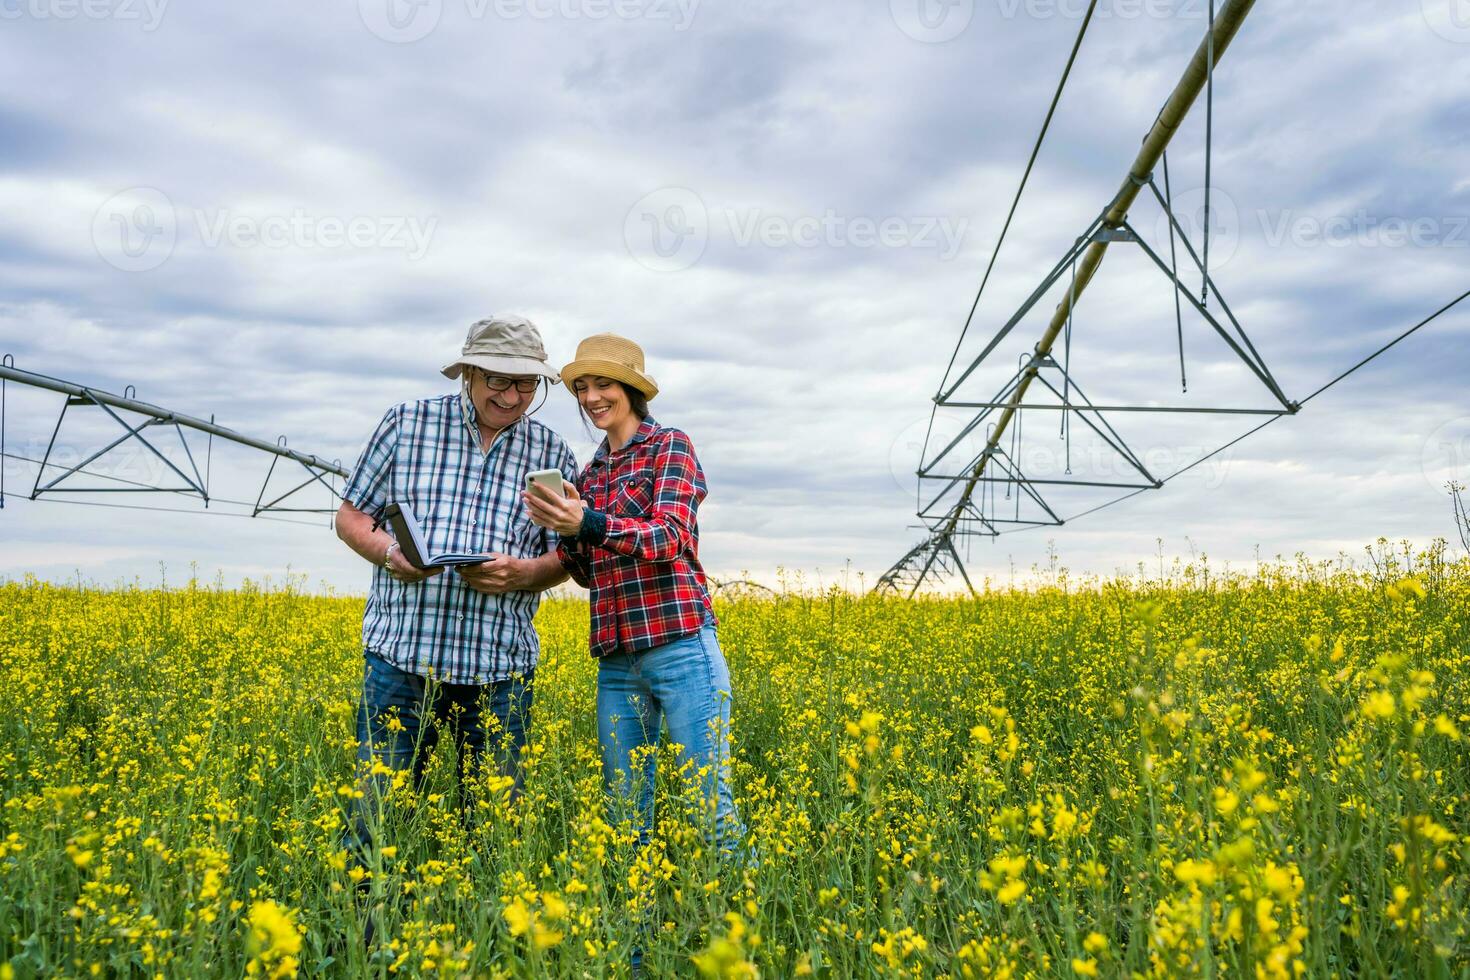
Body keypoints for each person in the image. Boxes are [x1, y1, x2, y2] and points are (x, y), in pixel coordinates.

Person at [335, 315, 577, 861]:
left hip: (500, 668)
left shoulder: (553, 454)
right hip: (402, 659)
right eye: (498, 380)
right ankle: (368, 936)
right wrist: (391, 554)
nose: (513, 396)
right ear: (467, 372)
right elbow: (351, 517)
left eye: (526, 384)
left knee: (494, 838)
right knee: (374, 825)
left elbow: (566, 555)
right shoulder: (406, 423)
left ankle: (479, 934)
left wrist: (523, 573)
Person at [524, 333, 745, 859]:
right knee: (624, 816)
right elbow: (586, 573)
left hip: (680, 645)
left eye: (603, 384)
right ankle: (635, 941)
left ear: (630, 389)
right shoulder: (590, 474)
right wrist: (566, 527)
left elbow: (670, 537)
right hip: (617, 661)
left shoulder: (670, 446)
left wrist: (592, 522)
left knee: (708, 808)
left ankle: (747, 933)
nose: (592, 397)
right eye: (582, 388)